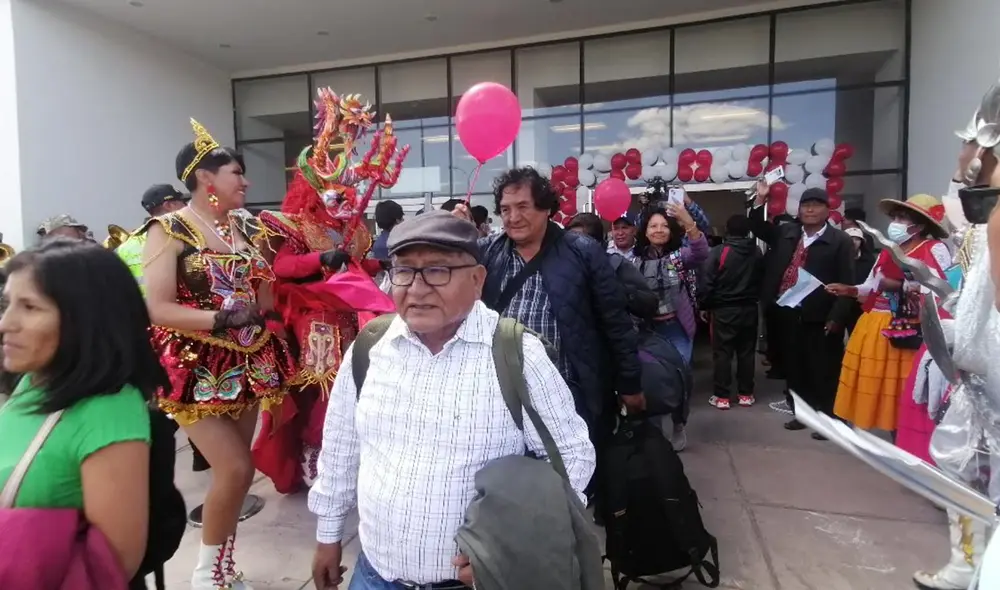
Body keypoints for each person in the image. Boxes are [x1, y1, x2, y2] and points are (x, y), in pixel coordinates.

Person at [308, 210, 595, 590]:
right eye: (404, 271)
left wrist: (512, 549)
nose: (417, 288)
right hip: (375, 574)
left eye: (437, 270)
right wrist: (328, 535)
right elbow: (341, 449)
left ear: (477, 280)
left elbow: (572, 455)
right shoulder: (370, 347)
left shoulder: (515, 353)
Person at [142, 119, 296, 590]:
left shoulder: (244, 228)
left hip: (247, 362)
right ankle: (205, 576)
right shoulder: (169, 229)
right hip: (194, 367)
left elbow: (263, 299)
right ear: (206, 178)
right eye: (237, 172)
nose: (245, 182)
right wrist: (220, 319)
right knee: (235, 468)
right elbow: (157, 307)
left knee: (236, 477)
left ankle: (224, 569)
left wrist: (276, 269)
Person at [255, 91, 400, 494]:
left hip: (351, 316)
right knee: (323, 390)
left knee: (354, 387)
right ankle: (314, 458)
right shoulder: (299, 225)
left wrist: (378, 265)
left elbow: (354, 269)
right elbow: (282, 267)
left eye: (346, 192)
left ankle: (348, 456)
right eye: (334, 190)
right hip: (316, 318)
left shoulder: (350, 230)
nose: (343, 197)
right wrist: (320, 259)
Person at [0, 239, 169, 582]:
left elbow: (110, 567)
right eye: (7, 304)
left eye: (29, 307)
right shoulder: (34, 379)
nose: (6, 323)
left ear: (85, 319)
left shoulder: (109, 411)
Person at [462, 167, 644, 450]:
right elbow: (445, 276)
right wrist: (452, 233)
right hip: (501, 394)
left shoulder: (583, 252)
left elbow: (615, 322)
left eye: (523, 206)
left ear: (546, 208)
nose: (513, 217)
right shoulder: (487, 251)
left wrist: (630, 384)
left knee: (570, 468)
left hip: (568, 391)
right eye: (506, 209)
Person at [827, 194, 951, 435]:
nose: (895, 222)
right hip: (876, 328)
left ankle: (907, 442)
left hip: (909, 331)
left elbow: (945, 288)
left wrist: (902, 286)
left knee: (903, 391)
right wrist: (850, 290)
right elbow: (872, 285)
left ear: (920, 225)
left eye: (902, 218)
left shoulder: (934, 249)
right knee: (880, 391)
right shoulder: (888, 251)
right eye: (895, 217)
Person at [750, 183, 855, 438]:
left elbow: (847, 282)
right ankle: (802, 413)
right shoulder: (787, 232)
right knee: (795, 369)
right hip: (787, 312)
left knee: (824, 370)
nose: (810, 210)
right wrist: (760, 200)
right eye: (805, 206)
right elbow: (758, 227)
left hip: (820, 315)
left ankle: (830, 420)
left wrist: (837, 317)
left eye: (816, 206)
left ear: (827, 210)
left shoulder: (839, 241)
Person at [697, 214, 764, 410]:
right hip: (750, 309)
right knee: (747, 353)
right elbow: (761, 277)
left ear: (727, 230)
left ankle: (722, 397)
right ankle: (746, 394)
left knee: (722, 353)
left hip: (724, 310)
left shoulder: (719, 252)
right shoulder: (756, 252)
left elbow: (707, 282)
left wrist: (704, 306)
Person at [632, 204, 709, 364]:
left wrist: (688, 221)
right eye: (653, 226)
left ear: (671, 231)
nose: (659, 230)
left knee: (679, 370)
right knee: (655, 374)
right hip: (647, 329)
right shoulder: (635, 262)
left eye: (665, 226)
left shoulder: (679, 256)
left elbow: (701, 252)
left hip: (677, 327)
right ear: (645, 232)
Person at [116, 184, 190, 295]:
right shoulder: (178, 238)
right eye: (183, 203)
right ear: (169, 205)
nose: (187, 207)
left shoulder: (125, 246)